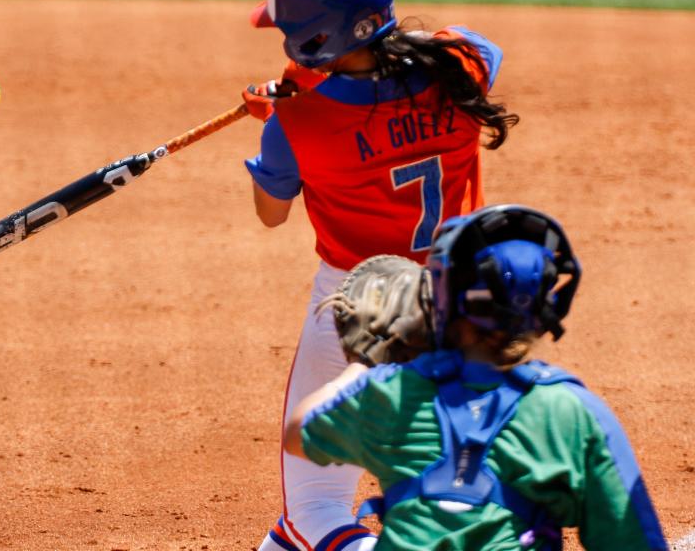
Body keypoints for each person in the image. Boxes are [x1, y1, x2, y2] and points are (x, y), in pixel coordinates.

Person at [242, 0, 518, 551]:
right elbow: (458, 51)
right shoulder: (462, 65)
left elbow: (270, 214)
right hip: (463, 309)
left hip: (355, 311)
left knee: (314, 511)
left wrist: (276, 115)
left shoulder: (299, 121)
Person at [283, 205, 668, 550]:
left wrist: (368, 364)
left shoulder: (396, 395)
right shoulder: (571, 413)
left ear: (441, 298)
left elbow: (298, 432)